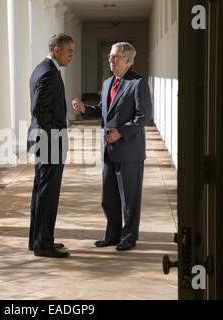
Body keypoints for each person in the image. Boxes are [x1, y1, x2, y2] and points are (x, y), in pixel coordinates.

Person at [73, 42, 152, 251]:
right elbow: (102, 110)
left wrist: (121, 132)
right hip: (108, 150)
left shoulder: (138, 83)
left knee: (129, 199)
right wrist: (85, 109)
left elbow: (143, 116)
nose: (110, 60)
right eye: (109, 56)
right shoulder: (108, 83)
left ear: (128, 60)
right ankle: (112, 235)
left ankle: (129, 237)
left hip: (129, 150)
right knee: (108, 198)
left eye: (115, 57)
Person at [27, 34, 74, 258]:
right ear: (56, 50)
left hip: (45, 141)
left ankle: (38, 241)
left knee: (41, 192)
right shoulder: (47, 72)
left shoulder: (43, 68)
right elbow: (38, 109)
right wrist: (53, 138)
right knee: (47, 194)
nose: (71, 56)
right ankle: (44, 245)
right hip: (48, 142)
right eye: (69, 51)